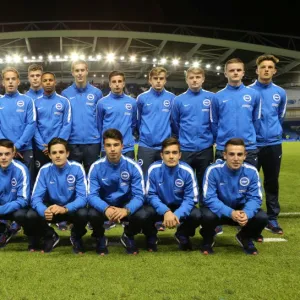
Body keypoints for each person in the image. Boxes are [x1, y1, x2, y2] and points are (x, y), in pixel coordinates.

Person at [200, 138, 268, 255]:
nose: (236, 158)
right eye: (231, 154)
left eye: (239, 154)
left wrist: (247, 213)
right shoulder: (213, 170)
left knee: (262, 217)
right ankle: (208, 238)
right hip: (220, 211)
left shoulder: (251, 172)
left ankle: (244, 236)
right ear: (224, 155)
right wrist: (230, 212)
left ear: (245, 156)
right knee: (205, 215)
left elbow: (255, 198)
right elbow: (209, 198)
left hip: (241, 211)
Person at [87, 129, 146, 255]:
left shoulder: (133, 166)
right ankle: (100, 237)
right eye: (108, 145)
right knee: (91, 213)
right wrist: (106, 208)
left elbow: (139, 196)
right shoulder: (96, 167)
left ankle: (128, 235)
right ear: (104, 147)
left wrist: (126, 210)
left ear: (122, 146)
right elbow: (92, 195)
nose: (112, 149)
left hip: (125, 205)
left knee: (142, 214)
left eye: (116, 145)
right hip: (105, 205)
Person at [28, 138, 88, 253]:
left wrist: (65, 208)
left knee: (84, 213)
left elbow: (83, 198)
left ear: (67, 153)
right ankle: (50, 235)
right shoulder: (44, 170)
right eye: (54, 153)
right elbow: (35, 198)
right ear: (49, 155)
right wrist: (44, 210)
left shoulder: (77, 168)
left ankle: (76, 236)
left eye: (61, 152)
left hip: (70, 209)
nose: (58, 156)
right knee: (31, 215)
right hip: (52, 209)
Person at [249, 54, 287, 235]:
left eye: (269, 67)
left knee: (272, 182)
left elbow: (280, 116)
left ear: (274, 71)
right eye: (263, 67)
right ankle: (250, 216)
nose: (266, 70)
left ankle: (272, 218)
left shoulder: (280, 93)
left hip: (273, 143)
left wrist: (272, 132)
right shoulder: (248, 92)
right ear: (257, 70)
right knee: (250, 183)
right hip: (252, 144)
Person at [144, 137, 201, 251]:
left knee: (197, 215)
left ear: (179, 155)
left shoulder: (187, 171)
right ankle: (151, 235)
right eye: (167, 153)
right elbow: (150, 196)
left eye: (174, 152)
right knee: (142, 214)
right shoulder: (153, 169)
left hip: (179, 207)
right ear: (161, 155)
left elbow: (191, 199)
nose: (171, 156)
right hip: (159, 207)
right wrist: (165, 211)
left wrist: (177, 214)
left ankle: (182, 234)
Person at [171, 67, 214, 197]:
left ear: (203, 79)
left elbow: (215, 121)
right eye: (191, 78)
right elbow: (175, 123)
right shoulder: (178, 100)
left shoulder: (211, 98)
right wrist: (183, 139)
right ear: (187, 80)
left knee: (205, 183)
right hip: (185, 149)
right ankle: (185, 214)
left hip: (205, 148)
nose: (194, 80)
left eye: (197, 77)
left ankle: (205, 213)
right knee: (182, 183)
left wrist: (210, 138)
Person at [211, 58, 261, 167]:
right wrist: (220, 138)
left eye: (238, 70)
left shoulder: (254, 94)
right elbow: (214, 123)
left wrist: (249, 137)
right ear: (225, 73)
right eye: (231, 70)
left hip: (248, 147)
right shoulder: (217, 97)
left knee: (248, 182)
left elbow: (256, 120)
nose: (235, 72)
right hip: (224, 147)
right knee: (223, 183)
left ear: (243, 73)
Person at [61, 59, 103, 174]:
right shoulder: (65, 94)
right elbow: (65, 120)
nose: (80, 73)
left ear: (87, 71)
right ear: (72, 73)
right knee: (74, 176)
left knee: (93, 176)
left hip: (93, 142)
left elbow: (100, 119)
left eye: (82, 70)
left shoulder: (97, 93)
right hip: (73, 142)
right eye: (77, 70)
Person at [136, 67, 175, 176]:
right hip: (146, 146)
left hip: (165, 146)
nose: (158, 81)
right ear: (150, 80)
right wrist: (145, 134)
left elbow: (174, 122)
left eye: (161, 78)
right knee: (144, 177)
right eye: (155, 78)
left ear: (165, 80)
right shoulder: (142, 98)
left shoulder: (172, 98)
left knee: (166, 177)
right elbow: (138, 121)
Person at [0, 67, 36, 181]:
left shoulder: (28, 100)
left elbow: (31, 124)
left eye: (13, 79)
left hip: (25, 149)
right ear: (3, 82)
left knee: (27, 181)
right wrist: (8, 147)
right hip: (4, 151)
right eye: (7, 79)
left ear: (18, 81)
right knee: (7, 182)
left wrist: (18, 145)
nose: (10, 81)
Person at [97, 71, 137, 159]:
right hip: (108, 147)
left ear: (123, 84)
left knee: (128, 173)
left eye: (119, 81)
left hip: (127, 148)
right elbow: (100, 125)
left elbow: (133, 124)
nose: (117, 84)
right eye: (114, 82)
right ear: (110, 84)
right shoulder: (102, 103)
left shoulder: (132, 102)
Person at [0, 139, 30, 248]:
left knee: (21, 215)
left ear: (13, 154)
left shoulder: (21, 169)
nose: (3, 157)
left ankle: (30, 234)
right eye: (0, 154)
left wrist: (2, 209)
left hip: (16, 208)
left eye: (7, 154)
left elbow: (24, 199)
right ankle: (3, 229)